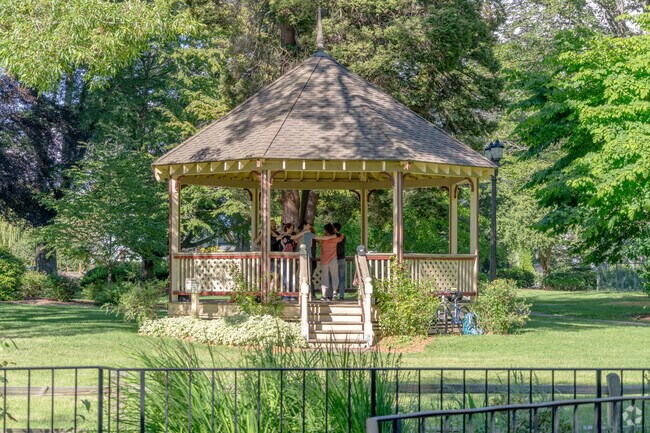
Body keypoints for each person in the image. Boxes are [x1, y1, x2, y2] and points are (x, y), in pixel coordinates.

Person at [316, 223, 345, 301]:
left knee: (324, 278)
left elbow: (320, 242)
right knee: (335, 276)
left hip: (324, 260)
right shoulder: (335, 239)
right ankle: (335, 292)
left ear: (326, 230)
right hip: (333, 260)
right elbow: (342, 236)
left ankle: (324, 295)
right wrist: (335, 233)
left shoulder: (323, 238)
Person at [292, 220, 317, 297]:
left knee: (304, 274)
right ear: (305, 225)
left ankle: (306, 292)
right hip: (303, 256)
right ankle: (302, 292)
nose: (310, 226)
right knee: (304, 274)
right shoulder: (303, 233)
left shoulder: (306, 234)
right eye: (309, 224)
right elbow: (293, 238)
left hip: (304, 256)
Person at [333, 222, 346, 300]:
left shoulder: (332, 237)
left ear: (335, 228)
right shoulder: (343, 236)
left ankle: (332, 294)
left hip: (334, 259)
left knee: (333, 277)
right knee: (342, 278)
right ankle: (341, 296)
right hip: (342, 258)